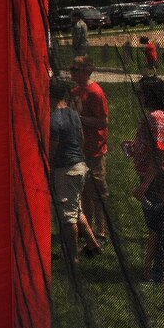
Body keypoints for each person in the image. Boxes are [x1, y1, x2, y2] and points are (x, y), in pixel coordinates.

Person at [128, 76, 164, 328]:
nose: (138, 96)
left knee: (159, 226)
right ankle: (161, 268)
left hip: (160, 181)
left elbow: (161, 155)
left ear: (149, 94)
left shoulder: (155, 118)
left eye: (141, 92)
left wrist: (146, 184)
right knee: (160, 226)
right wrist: (134, 148)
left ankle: (158, 269)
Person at [49, 78, 102, 265]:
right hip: (80, 165)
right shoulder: (73, 114)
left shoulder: (54, 119)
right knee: (76, 208)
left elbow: (52, 149)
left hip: (66, 169)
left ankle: (73, 258)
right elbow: (81, 139)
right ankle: (93, 244)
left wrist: (49, 165)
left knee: (68, 216)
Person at [70, 56, 109, 243]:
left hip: (94, 150)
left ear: (86, 71)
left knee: (98, 194)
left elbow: (103, 121)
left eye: (75, 69)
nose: (71, 73)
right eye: (71, 69)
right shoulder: (75, 91)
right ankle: (89, 229)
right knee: (84, 192)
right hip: (80, 150)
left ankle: (101, 233)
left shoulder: (95, 92)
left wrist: (81, 119)